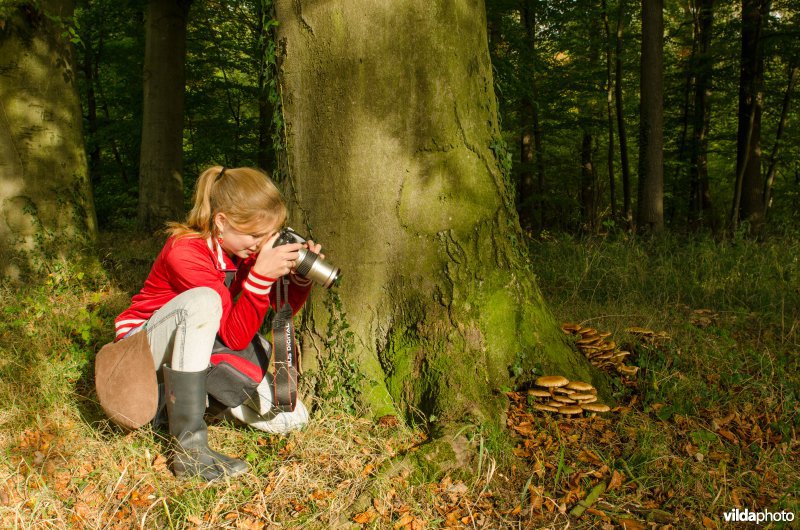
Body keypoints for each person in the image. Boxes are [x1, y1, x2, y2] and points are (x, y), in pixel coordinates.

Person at [113, 166, 319, 481]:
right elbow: (234, 336)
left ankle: (178, 406)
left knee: (292, 419)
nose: (260, 244)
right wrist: (261, 276)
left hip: (197, 349)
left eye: (269, 235)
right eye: (254, 234)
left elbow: (278, 309)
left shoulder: (242, 252)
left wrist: (297, 281)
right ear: (221, 221)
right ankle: (190, 451)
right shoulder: (184, 251)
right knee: (204, 301)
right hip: (139, 353)